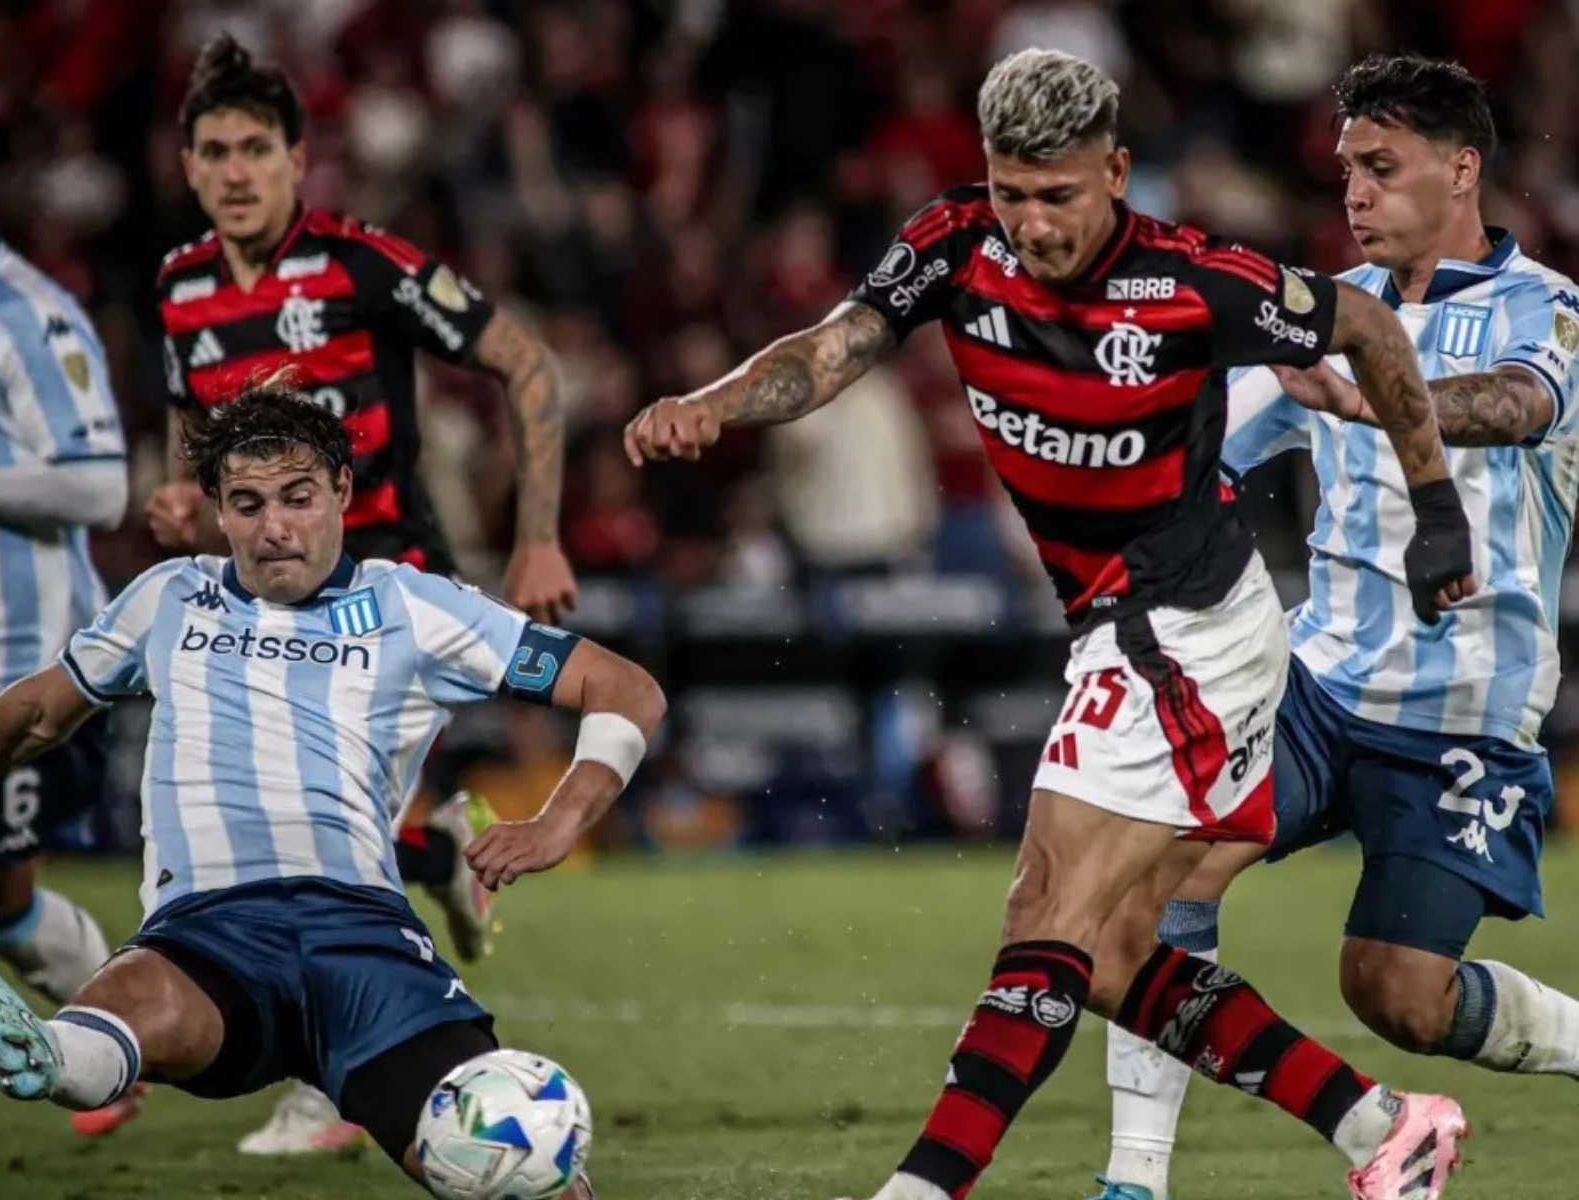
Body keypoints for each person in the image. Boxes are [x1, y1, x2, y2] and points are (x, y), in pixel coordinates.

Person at [627, 48, 1476, 1200]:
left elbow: (1370, 333)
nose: (1029, 223)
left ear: (1117, 172)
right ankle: (1380, 1125)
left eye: (1057, 196)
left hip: (1188, 631)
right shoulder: (950, 243)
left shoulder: (1192, 279)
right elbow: (833, 349)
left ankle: (920, 1189)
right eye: (1010, 192)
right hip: (1114, 629)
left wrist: (1436, 514)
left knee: (1047, 911)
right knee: (1118, 955)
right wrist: (712, 404)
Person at [0, 382, 660, 1200]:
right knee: (85, 1055)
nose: (274, 528)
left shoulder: (411, 603)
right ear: (217, 511)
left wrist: (561, 820)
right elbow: (29, 719)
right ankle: (42, 1053)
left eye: (298, 498)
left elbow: (623, 688)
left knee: (514, 1176)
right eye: (247, 503)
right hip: (209, 937)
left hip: (365, 942)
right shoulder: (168, 598)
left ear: (342, 492)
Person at [1096, 54, 1579, 1200]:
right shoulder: (1321, 314)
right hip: (1314, 689)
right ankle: (1131, 1180)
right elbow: (1207, 453)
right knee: (1149, 883)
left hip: (1463, 718)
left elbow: (1519, 404)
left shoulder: (1547, 309)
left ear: (1461, 171)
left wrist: (1379, 396)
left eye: (1382, 166)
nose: (1355, 192)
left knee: (1397, 995)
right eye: (1345, 168)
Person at [148, 34, 579, 1151]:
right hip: (254, 605)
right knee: (292, 824)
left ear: (299, 157)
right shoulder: (180, 286)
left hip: (387, 598)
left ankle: (333, 1073)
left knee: (326, 832)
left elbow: (525, 361)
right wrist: (176, 496)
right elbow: (187, 431)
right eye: (212, 151)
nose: (234, 170)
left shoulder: (359, 264)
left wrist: (536, 539)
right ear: (188, 165)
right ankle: (435, 857)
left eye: (256, 147)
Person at [0, 165, 136, 1137]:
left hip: (19, 660)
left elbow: (99, 489)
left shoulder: (27, 317)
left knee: (1, 902)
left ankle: (119, 1041)